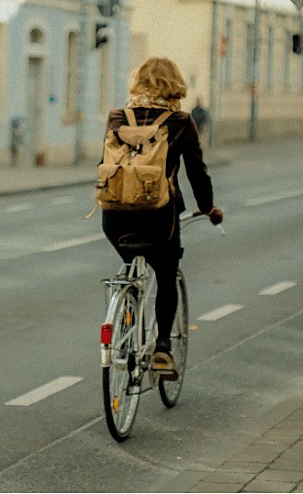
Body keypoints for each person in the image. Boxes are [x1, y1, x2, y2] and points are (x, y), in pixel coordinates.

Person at [101, 56, 223, 379]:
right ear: (174, 87)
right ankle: (163, 349)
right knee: (167, 274)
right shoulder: (180, 122)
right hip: (159, 220)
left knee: (131, 263)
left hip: (114, 219)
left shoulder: (117, 118)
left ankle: (124, 318)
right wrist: (209, 208)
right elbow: (198, 175)